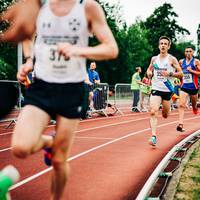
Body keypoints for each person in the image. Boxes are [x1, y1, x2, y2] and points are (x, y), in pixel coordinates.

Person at [5, 1, 119, 200]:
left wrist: (78, 51)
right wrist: (30, 60)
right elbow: (26, 34)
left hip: (72, 90)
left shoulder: (87, 7)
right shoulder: (38, 5)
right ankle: (50, 141)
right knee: (20, 147)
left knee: (59, 161)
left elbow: (111, 49)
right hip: (42, 87)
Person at [147, 36, 183, 146]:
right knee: (153, 111)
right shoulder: (154, 59)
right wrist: (149, 72)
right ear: (158, 45)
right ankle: (153, 136)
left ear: (168, 46)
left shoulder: (172, 59)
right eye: (161, 43)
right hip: (156, 88)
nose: (163, 45)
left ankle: (167, 110)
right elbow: (149, 69)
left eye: (165, 44)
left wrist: (170, 74)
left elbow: (181, 73)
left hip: (167, 90)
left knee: (166, 115)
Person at [176, 46, 200, 132]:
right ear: (184, 53)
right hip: (184, 87)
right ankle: (180, 124)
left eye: (190, 51)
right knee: (181, 104)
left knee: (194, 105)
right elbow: (178, 72)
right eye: (186, 51)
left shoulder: (196, 61)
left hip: (194, 87)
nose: (188, 53)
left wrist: (192, 71)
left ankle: (195, 107)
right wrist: (179, 77)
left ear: (193, 52)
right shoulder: (181, 62)